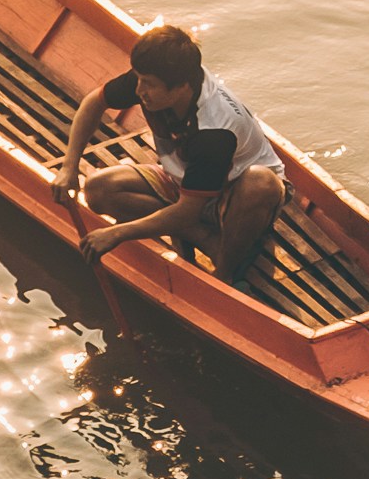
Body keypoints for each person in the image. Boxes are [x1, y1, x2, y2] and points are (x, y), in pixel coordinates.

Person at [55, 21, 287, 288]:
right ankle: (205, 238)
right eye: (139, 79)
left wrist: (116, 233)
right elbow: (93, 103)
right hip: (185, 179)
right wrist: (69, 167)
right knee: (97, 190)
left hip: (233, 190)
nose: (139, 90)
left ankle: (224, 273)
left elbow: (188, 211)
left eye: (149, 84)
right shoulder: (151, 79)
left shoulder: (214, 130)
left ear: (181, 87)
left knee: (262, 182)